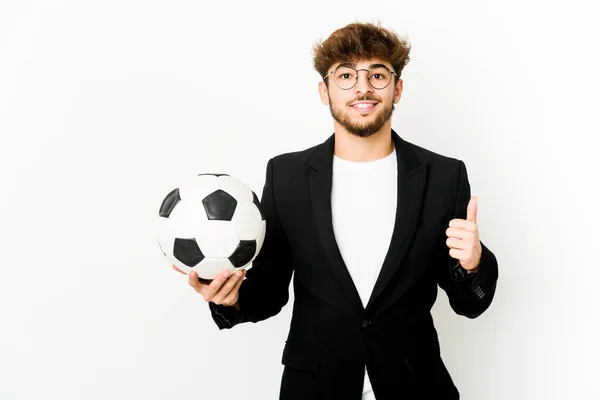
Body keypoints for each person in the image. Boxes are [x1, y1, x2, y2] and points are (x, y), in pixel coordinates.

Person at [174, 21, 499, 400]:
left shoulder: (444, 175)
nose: (362, 87)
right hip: (315, 387)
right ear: (324, 91)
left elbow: (469, 304)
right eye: (345, 75)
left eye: (378, 74)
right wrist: (230, 300)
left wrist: (473, 263)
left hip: (414, 385)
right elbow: (270, 290)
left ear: (398, 89)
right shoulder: (287, 176)